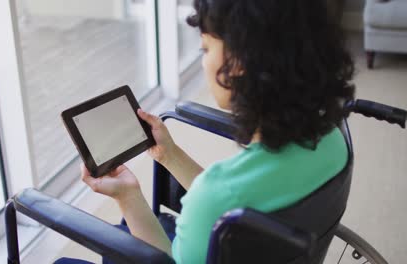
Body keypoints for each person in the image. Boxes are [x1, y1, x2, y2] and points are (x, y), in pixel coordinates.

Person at [56, 0, 355, 263]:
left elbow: (188, 234)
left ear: (237, 62)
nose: (202, 60)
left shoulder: (213, 197)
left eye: (206, 47)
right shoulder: (333, 140)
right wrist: (169, 155)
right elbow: (232, 203)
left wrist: (127, 195)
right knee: (125, 228)